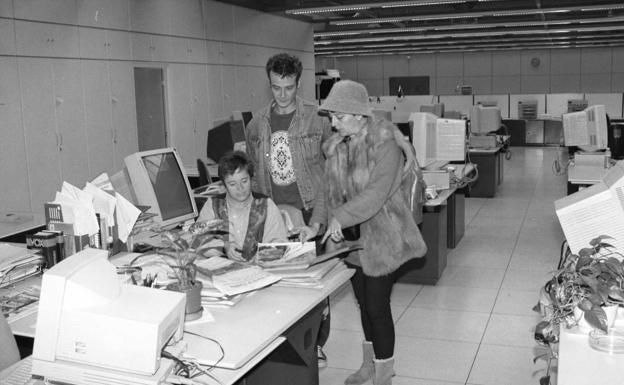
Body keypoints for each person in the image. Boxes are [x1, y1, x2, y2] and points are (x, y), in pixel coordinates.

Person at [316, 80, 428, 385]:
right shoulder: (339, 145)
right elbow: (326, 191)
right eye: (331, 117)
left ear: (359, 115)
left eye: (338, 116)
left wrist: (339, 216)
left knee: (378, 307)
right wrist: (316, 222)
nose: (332, 122)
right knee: (364, 305)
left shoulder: (385, 144)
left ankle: (384, 375)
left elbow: (376, 194)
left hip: (382, 238)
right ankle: (369, 365)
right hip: (352, 241)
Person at [196, 151, 288, 261]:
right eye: (232, 184)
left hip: (259, 271)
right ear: (224, 185)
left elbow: (279, 244)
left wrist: (264, 255)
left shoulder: (266, 205)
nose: (240, 188)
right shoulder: (213, 205)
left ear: (251, 179)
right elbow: (198, 239)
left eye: (244, 181)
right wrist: (224, 246)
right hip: (223, 272)